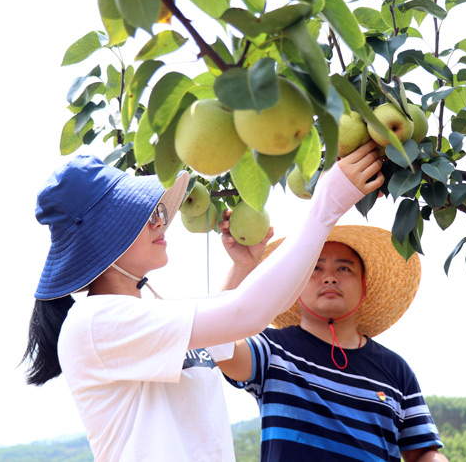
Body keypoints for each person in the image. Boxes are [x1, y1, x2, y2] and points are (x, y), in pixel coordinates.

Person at [21, 141, 385, 462]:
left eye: (157, 213)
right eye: (145, 215)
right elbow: (247, 314)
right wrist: (324, 209)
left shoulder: (145, 309)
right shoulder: (96, 322)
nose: (159, 223)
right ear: (102, 241)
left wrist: (244, 267)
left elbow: (233, 323)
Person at [216, 224, 448, 462]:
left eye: (344, 268)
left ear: (364, 286)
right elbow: (218, 344)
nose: (329, 278)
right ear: (296, 285)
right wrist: (242, 267)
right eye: (315, 269)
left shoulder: (395, 369)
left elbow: (422, 452)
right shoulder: (272, 351)